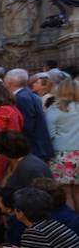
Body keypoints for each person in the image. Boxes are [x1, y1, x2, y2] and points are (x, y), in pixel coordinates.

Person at [4, 68, 54, 161]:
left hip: (33, 149)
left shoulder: (21, 98)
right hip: (38, 147)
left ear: (9, 82)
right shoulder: (31, 95)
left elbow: (26, 126)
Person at [45, 79, 79, 209]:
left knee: (66, 191)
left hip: (62, 154)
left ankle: (72, 224)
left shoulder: (54, 109)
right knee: (78, 191)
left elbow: (50, 134)